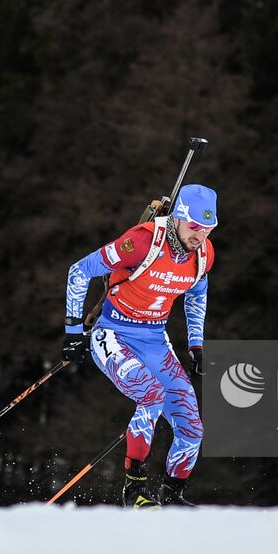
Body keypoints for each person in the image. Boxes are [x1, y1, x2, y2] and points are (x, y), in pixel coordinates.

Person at [62, 183, 217, 508]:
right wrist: (73, 331)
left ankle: (173, 496)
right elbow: (79, 272)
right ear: (178, 218)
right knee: (151, 396)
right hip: (113, 335)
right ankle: (135, 490)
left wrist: (196, 344)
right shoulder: (143, 241)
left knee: (192, 428)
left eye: (208, 229)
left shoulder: (203, 255)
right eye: (194, 227)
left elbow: (197, 295)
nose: (199, 236)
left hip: (155, 339)